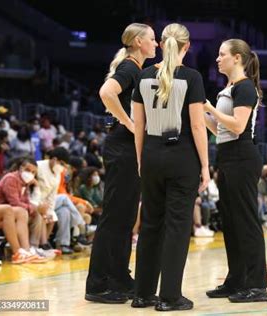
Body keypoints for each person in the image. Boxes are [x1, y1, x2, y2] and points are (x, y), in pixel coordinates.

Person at [132, 23, 209, 311]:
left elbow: (138, 124)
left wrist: (141, 158)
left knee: (150, 225)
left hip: (151, 153)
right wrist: (205, 165)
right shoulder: (192, 77)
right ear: (186, 47)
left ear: (162, 44)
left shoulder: (143, 75)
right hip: (182, 156)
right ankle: (170, 297)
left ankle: (142, 294)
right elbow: (198, 125)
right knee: (177, 227)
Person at [85, 22, 158, 304]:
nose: (156, 44)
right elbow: (106, 93)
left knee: (126, 217)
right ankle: (98, 283)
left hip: (128, 149)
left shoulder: (136, 69)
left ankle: (118, 275)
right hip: (121, 148)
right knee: (115, 217)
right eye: (152, 39)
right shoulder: (129, 67)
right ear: (139, 42)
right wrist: (128, 122)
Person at [203, 39, 267, 303]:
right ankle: (236, 281)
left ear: (237, 58)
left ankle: (257, 285)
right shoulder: (229, 88)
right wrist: (201, 115)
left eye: (222, 55)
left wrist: (209, 109)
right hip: (227, 155)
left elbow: (239, 126)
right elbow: (221, 130)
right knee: (230, 223)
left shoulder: (245, 88)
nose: (218, 59)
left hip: (242, 157)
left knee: (247, 222)